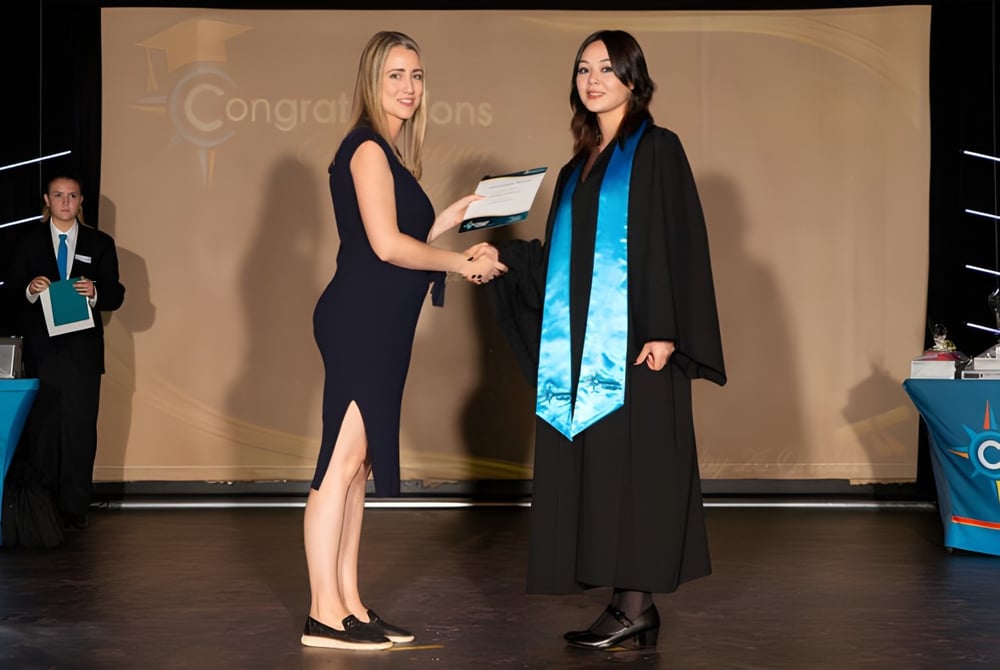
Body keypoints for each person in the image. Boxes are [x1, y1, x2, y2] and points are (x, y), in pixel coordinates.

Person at [483, 30, 726, 649]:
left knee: (641, 474)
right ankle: (629, 606)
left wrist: (667, 330)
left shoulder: (658, 150)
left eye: (607, 70)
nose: (593, 80)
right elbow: (568, 264)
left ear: (633, 81)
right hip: (588, 351)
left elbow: (679, 242)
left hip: (641, 345)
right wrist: (506, 258)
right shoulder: (576, 168)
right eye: (583, 69)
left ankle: (634, 605)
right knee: (607, 472)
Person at [302, 30, 506, 651]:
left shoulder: (387, 153)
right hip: (361, 320)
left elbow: (394, 231)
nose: (408, 87)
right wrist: (456, 261)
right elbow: (387, 247)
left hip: (381, 322)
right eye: (395, 75)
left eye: (416, 76)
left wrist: (450, 217)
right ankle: (322, 614)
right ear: (372, 79)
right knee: (338, 465)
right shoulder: (366, 149)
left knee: (358, 466)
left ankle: (350, 604)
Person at [8, 174, 126, 531]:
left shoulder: (99, 242)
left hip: (82, 353)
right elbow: (11, 293)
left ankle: (75, 509)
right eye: (58, 195)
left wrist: (94, 292)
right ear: (46, 199)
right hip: (42, 351)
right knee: (42, 432)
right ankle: (43, 509)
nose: (64, 202)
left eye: (72, 196)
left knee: (78, 430)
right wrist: (30, 289)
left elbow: (116, 294)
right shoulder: (28, 242)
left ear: (80, 201)